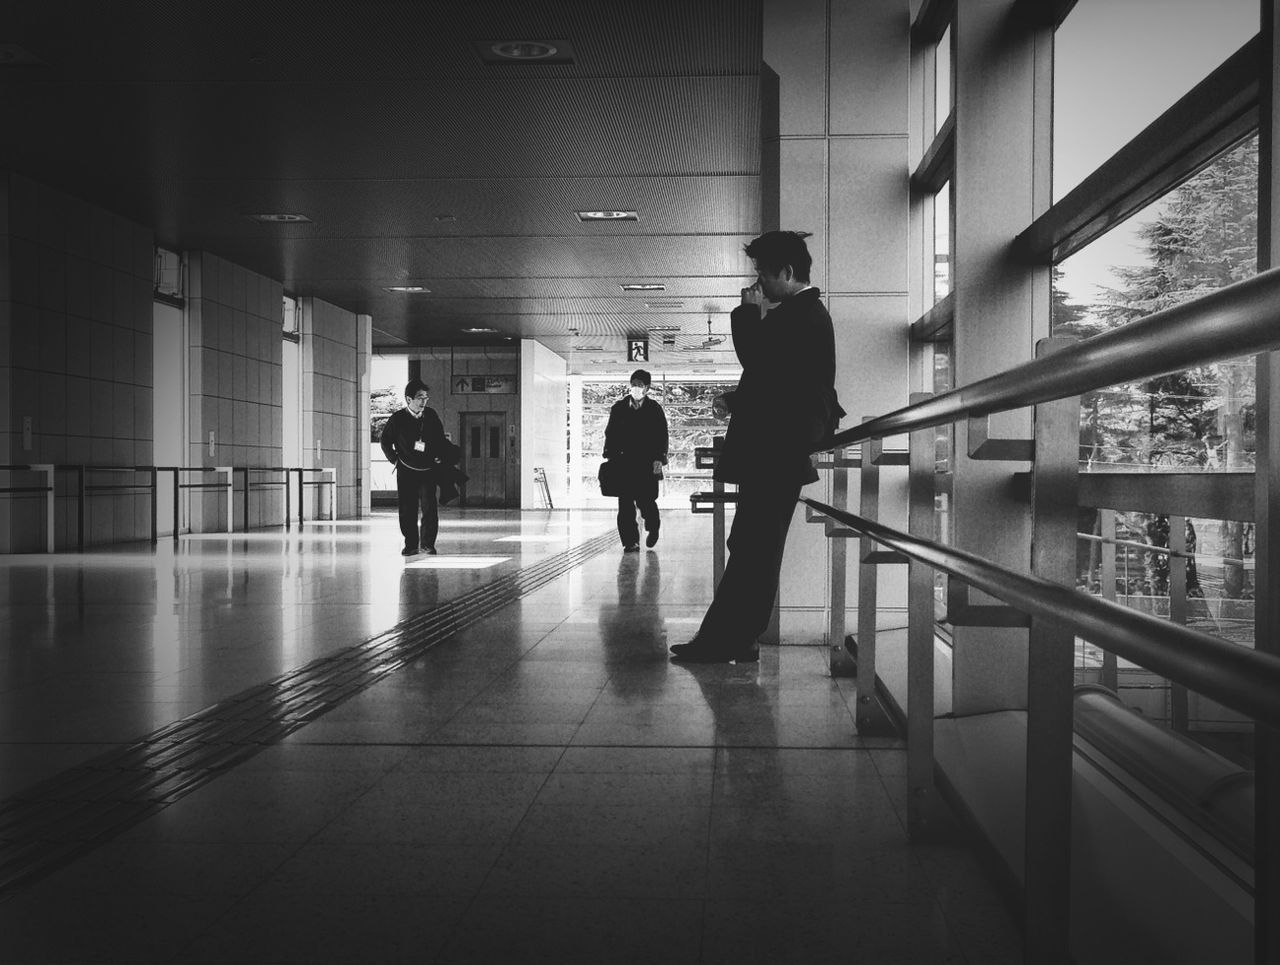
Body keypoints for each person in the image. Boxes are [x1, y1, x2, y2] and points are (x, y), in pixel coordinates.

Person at [671, 230, 843, 663]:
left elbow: (758, 360)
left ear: (787, 272)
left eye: (763, 274)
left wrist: (747, 314)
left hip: (775, 454)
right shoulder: (802, 314)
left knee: (754, 551)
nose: (758, 285)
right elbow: (776, 380)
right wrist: (735, 400)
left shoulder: (801, 314)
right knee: (751, 547)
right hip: (776, 453)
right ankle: (735, 636)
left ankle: (726, 640)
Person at [602, 369, 669, 551]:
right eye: (633, 384)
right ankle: (630, 542)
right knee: (625, 505)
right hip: (624, 463)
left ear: (647, 388)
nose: (636, 388)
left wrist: (659, 458)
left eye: (640, 385)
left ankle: (653, 527)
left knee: (646, 501)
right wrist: (610, 455)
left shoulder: (654, 409)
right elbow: (610, 432)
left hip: (646, 463)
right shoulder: (619, 408)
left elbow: (662, 435)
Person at [380, 378, 447, 556]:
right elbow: (385, 441)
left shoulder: (431, 415)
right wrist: (394, 459)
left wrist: (440, 456)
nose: (424, 401)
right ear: (408, 399)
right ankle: (410, 544)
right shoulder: (398, 419)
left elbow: (440, 439)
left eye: (426, 397)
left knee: (429, 508)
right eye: (419, 398)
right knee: (407, 508)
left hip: (428, 470)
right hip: (406, 470)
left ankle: (427, 544)